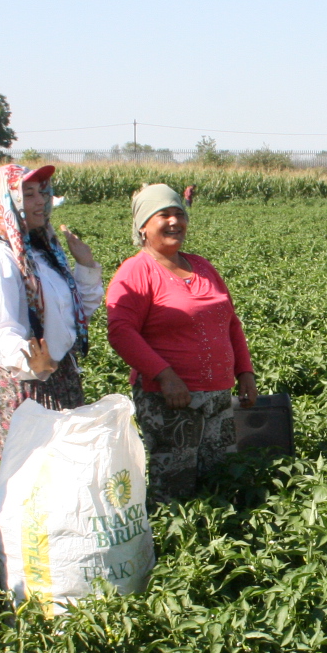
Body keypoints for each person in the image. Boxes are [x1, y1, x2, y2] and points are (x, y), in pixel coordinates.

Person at [106, 183, 255, 502]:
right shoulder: (135, 272)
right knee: (174, 488)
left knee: (220, 480)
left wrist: (245, 373)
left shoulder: (201, 266)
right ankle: (174, 548)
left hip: (218, 396)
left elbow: (230, 322)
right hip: (172, 400)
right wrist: (165, 375)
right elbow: (121, 331)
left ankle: (218, 548)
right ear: (143, 226)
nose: (174, 221)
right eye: (163, 215)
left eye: (179, 213)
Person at [0, 163, 103, 453]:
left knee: (68, 475)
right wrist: (30, 362)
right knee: (37, 482)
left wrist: (86, 265)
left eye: (41, 192)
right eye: (28, 195)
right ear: (5, 202)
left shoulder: (40, 253)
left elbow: (76, 315)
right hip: (27, 385)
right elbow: (1, 332)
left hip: (59, 373)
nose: (41, 201)